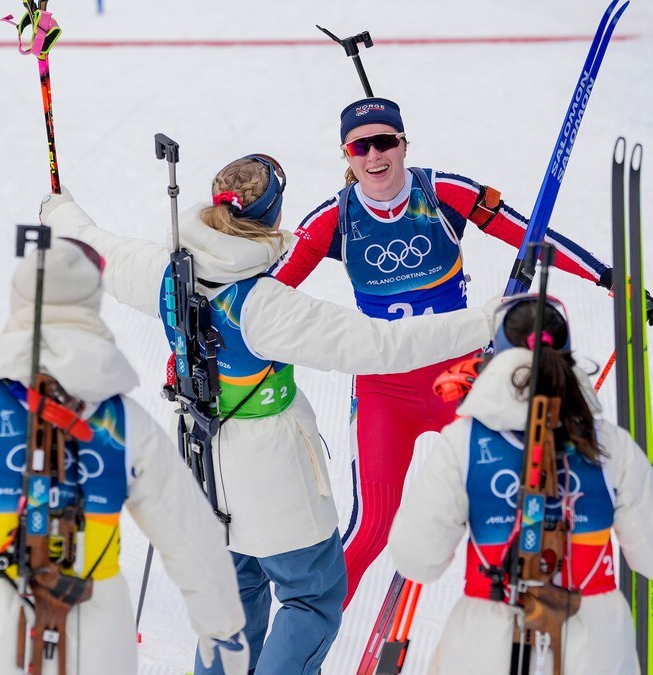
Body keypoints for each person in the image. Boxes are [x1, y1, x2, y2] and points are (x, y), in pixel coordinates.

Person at [38, 152, 499, 674]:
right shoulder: (264, 305)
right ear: (274, 216)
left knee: (235, 589)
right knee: (311, 595)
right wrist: (486, 322)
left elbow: (95, 246)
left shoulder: (164, 272)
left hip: (201, 462)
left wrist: (58, 209)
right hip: (272, 473)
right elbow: (384, 345)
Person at [275, 97, 617, 605]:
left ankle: (537, 611)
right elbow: (263, 298)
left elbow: (533, 237)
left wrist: (608, 278)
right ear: (346, 155)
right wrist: (197, 341)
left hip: (462, 380)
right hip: (385, 389)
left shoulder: (443, 193)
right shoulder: (335, 218)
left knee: (507, 504)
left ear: (403, 144)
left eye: (385, 141)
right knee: (371, 528)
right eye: (360, 147)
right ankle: (303, 634)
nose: (374, 156)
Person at [0, 238, 250, 675]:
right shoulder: (127, 424)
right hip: (94, 646)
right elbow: (191, 534)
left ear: (20, 302)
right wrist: (223, 625)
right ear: (91, 304)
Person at [388, 296, 653, 674]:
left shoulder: (463, 442)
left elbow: (417, 558)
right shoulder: (611, 445)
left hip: (485, 647)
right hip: (597, 648)